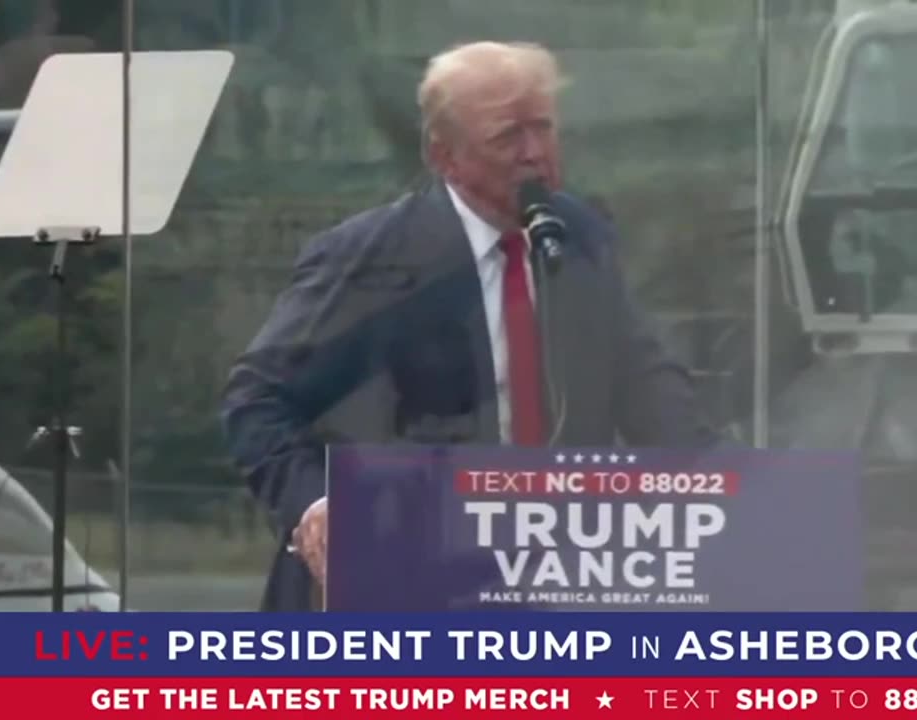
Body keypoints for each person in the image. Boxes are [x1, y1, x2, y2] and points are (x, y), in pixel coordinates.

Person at [221, 41, 718, 612]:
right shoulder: (375, 258)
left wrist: (735, 484)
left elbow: (649, 387)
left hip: (550, 585)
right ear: (445, 157)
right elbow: (257, 400)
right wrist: (316, 505)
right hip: (401, 585)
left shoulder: (579, 239)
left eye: (543, 128)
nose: (534, 153)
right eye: (508, 137)